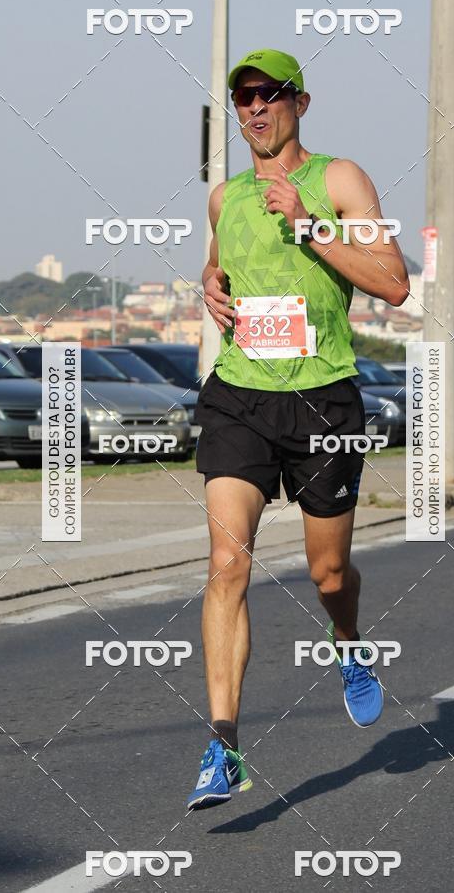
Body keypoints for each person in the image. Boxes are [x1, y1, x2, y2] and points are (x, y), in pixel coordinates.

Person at [187, 49, 409, 810]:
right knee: (226, 565)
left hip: (323, 402)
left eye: (267, 95)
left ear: (299, 103)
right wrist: (208, 285)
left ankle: (347, 643)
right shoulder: (226, 198)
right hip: (239, 397)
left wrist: (313, 225)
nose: (253, 108)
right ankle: (223, 748)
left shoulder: (339, 179)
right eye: (242, 97)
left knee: (328, 575)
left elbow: (393, 280)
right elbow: (218, 265)